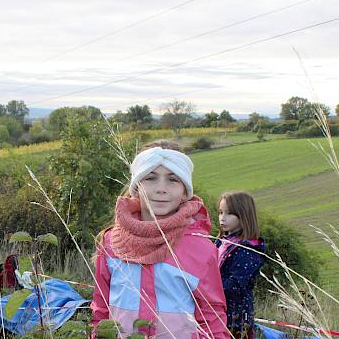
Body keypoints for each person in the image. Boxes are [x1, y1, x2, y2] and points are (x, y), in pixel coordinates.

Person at [91, 142, 229, 338]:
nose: (161, 189)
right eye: (151, 178)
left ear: (184, 191)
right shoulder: (111, 242)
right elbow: (101, 308)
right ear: (136, 187)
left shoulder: (201, 249)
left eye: (173, 179)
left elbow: (212, 318)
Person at [216, 192, 266, 339]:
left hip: (236, 318)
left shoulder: (249, 249)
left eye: (229, 213)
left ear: (244, 215)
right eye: (220, 212)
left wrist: (206, 288)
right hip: (216, 312)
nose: (222, 218)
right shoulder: (220, 242)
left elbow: (235, 285)